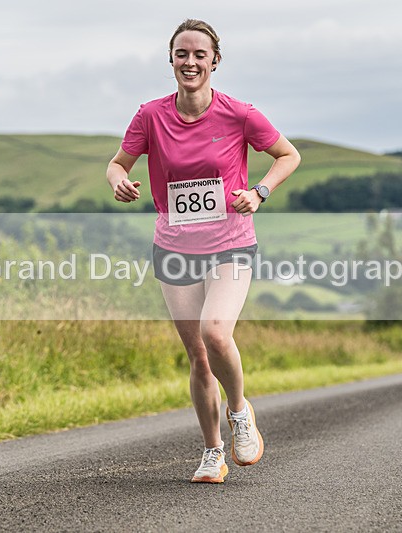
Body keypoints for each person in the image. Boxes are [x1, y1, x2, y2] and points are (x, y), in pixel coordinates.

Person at [106, 19, 301, 483]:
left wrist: (259, 192)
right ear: (170, 60)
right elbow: (118, 164)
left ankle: (239, 412)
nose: (190, 62)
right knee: (197, 355)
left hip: (231, 243)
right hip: (174, 247)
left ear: (215, 60)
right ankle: (213, 452)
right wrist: (120, 182)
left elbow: (288, 155)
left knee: (216, 333)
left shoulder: (239, 113)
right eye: (182, 54)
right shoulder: (150, 116)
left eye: (199, 54)